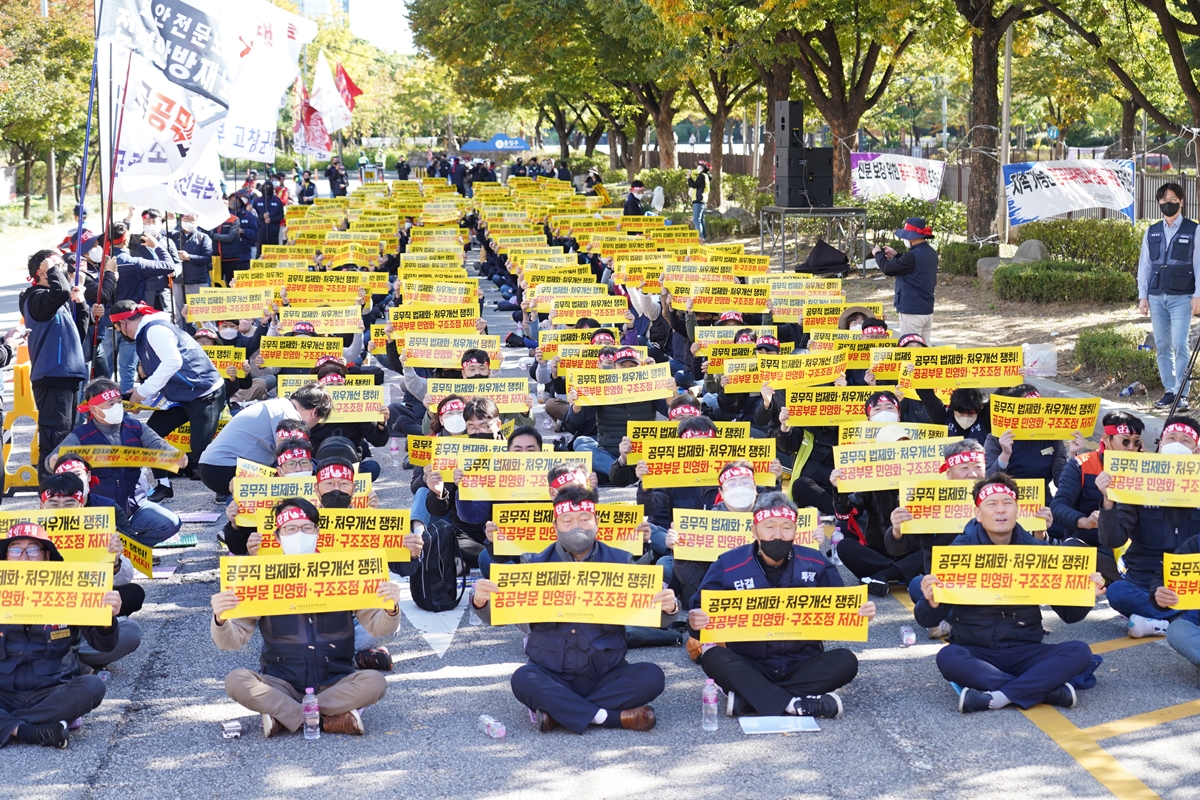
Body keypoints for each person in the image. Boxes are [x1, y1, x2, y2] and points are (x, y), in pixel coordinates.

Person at [470, 486, 677, 734]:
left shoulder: (621, 562)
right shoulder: (533, 564)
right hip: (551, 673)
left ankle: (559, 714)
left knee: (652, 676)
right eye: (567, 521)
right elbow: (505, 616)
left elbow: (654, 616)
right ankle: (610, 717)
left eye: (584, 519)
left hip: (606, 673)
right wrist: (481, 602)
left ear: (596, 522)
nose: (576, 527)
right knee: (523, 679)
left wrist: (669, 607)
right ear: (555, 526)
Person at [210, 498, 402, 737]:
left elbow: (378, 628)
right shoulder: (258, 575)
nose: (299, 534)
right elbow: (232, 642)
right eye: (290, 529)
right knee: (236, 680)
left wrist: (390, 608)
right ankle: (328, 718)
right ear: (277, 537)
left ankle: (285, 717)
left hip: (335, 681)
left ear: (317, 533)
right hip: (282, 683)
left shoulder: (344, 571)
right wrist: (220, 619)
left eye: (306, 528)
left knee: (375, 682)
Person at [915, 475, 1103, 713]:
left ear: (1017, 510)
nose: (1001, 510)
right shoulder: (958, 554)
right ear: (978, 513)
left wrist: (1086, 595)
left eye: (1007, 503)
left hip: (1026, 650)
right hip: (978, 652)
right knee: (948, 657)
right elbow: (925, 619)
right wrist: (931, 602)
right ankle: (1043, 691)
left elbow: (1070, 615)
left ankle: (998, 696)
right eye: (992, 504)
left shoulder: (1040, 551)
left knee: (1080, 652)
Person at [688, 491, 875, 718]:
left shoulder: (816, 563)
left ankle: (752, 700)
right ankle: (795, 704)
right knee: (713, 658)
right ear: (754, 531)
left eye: (786, 527)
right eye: (769, 527)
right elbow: (699, 616)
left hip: (803, 663)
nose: (778, 535)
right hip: (751, 663)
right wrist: (695, 621)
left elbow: (842, 607)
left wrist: (861, 613)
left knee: (846, 661)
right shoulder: (728, 564)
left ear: (795, 531)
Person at [0, 523, 121, 749]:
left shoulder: (72, 587)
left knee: (93, 686)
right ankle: (31, 731)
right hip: (3, 693)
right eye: (15, 550)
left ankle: (10, 726)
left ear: (46, 556)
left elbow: (104, 645)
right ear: (6, 557)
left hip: (53, 692)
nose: (23, 557)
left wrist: (107, 619)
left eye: (33, 550)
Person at [1096, 416, 1200, 638]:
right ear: (1160, 445)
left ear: (1196, 451)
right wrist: (1108, 501)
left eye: (1185, 441)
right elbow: (1113, 540)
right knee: (1117, 591)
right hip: (1144, 580)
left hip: (1191, 582)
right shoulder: (1137, 479)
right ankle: (1182, 621)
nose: (1177, 444)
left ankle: (1160, 623)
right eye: (1171, 438)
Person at [108, 300, 225, 496]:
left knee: (200, 447)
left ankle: (226, 486)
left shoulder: (155, 330)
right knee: (150, 436)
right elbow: (161, 375)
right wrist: (142, 399)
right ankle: (163, 486)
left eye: (117, 328)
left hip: (204, 393)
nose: (119, 332)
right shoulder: (147, 333)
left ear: (123, 323)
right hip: (180, 395)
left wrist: (143, 391)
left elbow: (173, 363)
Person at [51, 378, 184, 546]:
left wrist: (174, 455)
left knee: (170, 523)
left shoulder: (136, 427)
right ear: (94, 409)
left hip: (137, 506)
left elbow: (158, 444)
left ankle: (134, 550)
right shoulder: (81, 435)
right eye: (110, 404)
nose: (117, 407)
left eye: (119, 402)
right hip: (101, 513)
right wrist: (57, 461)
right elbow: (54, 458)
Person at [38, 473, 145, 673]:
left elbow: (124, 579)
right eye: (53, 504)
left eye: (69, 503)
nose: (61, 510)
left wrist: (114, 560)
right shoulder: (27, 535)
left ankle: (67, 660)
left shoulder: (96, 532)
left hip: (81, 619)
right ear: (41, 506)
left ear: (81, 505)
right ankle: (65, 662)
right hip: (37, 625)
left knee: (131, 631)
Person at [1051, 410, 1144, 586]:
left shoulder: (1148, 468)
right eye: (1125, 441)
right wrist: (1084, 521)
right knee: (1071, 549)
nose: (1131, 447)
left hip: (1134, 548)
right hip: (1092, 544)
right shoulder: (1081, 464)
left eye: (1136, 442)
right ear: (1106, 439)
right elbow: (1059, 505)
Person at [21, 250, 89, 481]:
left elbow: (78, 335)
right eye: (57, 267)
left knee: (66, 438)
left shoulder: (58, 301)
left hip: (68, 375)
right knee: (55, 439)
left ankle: (64, 488)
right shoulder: (36, 297)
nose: (62, 271)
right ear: (42, 272)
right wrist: (51, 267)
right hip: (52, 376)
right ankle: (50, 490)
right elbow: (61, 291)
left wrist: (81, 305)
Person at [199, 383, 333, 501]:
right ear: (315, 412)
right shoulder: (289, 416)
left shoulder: (279, 405)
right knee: (298, 465)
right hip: (225, 468)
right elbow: (292, 459)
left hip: (214, 465)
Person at [1136, 182, 1200, 409]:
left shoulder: (1194, 230)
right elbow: (1145, 265)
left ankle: (1182, 394)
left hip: (1182, 297)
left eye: (1172, 200)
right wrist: (1143, 296)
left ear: (1181, 202)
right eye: (1163, 200)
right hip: (1156, 296)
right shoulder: (1152, 230)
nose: (1168, 204)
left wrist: (1198, 295)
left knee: (1180, 344)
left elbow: (1199, 264)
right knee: (1162, 345)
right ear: (1159, 203)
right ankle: (1170, 391)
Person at [872, 217, 938, 343]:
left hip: (911, 311)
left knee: (910, 347)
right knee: (925, 348)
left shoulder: (911, 256)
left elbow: (888, 269)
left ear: (911, 237)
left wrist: (878, 254)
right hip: (926, 309)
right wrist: (897, 255)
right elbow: (914, 266)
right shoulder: (931, 252)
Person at [134, 210, 181, 313]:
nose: (151, 225)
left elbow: (177, 263)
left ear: (160, 222)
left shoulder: (168, 242)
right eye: (148, 221)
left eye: (154, 222)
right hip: (143, 290)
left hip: (164, 290)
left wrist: (175, 272)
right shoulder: (135, 242)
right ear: (143, 223)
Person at [211, 194, 259, 284]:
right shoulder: (222, 217)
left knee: (240, 282)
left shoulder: (248, 216)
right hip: (224, 256)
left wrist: (243, 231)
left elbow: (255, 234)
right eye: (231, 200)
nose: (233, 202)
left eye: (235, 200)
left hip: (243, 255)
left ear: (240, 202)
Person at [174, 214, 213, 307]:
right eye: (186, 218)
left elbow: (207, 258)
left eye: (192, 219)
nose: (189, 222)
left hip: (197, 280)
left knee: (200, 311)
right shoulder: (173, 236)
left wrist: (189, 257)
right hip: (177, 281)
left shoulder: (203, 237)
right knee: (178, 312)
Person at [250, 182, 285, 248]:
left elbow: (281, 215)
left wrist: (271, 220)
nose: (267, 189)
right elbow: (253, 216)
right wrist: (262, 217)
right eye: (265, 187)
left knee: (273, 249)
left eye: (269, 187)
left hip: (274, 231)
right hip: (261, 231)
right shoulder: (257, 201)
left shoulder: (277, 200)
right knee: (260, 249)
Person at [688, 161, 709, 240]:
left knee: (696, 220)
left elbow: (694, 185)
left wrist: (689, 177)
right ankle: (704, 237)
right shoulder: (705, 176)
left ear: (702, 168)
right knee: (701, 220)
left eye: (699, 166)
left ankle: (700, 238)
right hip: (701, 199)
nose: (697, 167)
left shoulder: (702, 176)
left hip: (699, 199)